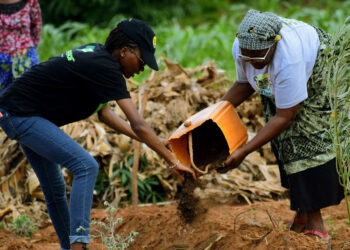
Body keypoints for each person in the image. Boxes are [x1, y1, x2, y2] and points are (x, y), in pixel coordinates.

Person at [0, 19, 196, 250]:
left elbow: (106, 115)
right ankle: (79, 244)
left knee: (55, 190)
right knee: (86, 166)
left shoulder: (98, 57)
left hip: (19, 114)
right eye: (141, 61)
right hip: (22, 115)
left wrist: (158, 142)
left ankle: (70, 247)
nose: (141, 69)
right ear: (124, 51)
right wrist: (172, 161)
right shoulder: (107, 69)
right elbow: (138, 123)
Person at [217, 9, 344, 240]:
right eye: (248, 58)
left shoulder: (289, 58)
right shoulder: (244, 48)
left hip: (317, 65)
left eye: (258, 57)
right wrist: (212, 114)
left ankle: (317, 225)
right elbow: (245, 83)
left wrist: (244, 151)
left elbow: (286, 116)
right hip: (282, 76)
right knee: (281, 140)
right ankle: (302, 214)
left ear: (273, 46)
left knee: (306, 140)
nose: (252, 63)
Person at [0, 0, 42, 92]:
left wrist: (26, 50)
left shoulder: (31, 2)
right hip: (0, 62)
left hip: (25, 58)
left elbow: (36, 28)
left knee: (27, 96)